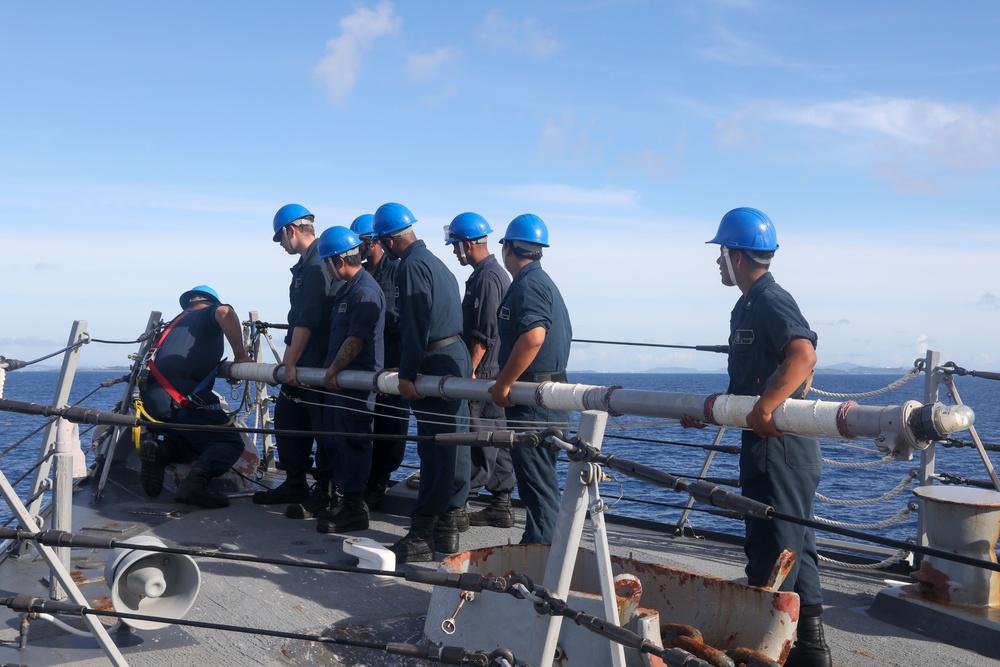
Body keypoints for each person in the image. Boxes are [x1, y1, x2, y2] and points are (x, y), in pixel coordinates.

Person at [682, 207, 831, 667]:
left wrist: (767, 407)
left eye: (721, 253)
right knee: (793, 550)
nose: (717, 262)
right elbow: (753, 382)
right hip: (771, 447)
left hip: (781, 449)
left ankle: (772, 651)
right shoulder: (747, 303)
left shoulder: (769, 299)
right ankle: (809, 652)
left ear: (738, 256)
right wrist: (715, 415)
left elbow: (803, 355)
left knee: (774, 553)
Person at [372, 202, 472, 563]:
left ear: (387, 240)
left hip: (432, 358)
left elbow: (416, 324)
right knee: (455, 443)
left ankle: (422, 534)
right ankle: (447, 527)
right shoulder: (435, 263)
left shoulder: (410, 267)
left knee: (434, 448)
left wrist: (408, 374)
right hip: (455, 355)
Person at [488, 214, 572, 545]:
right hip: (546, 397)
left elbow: (534, 336)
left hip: (534, 400)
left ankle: (543, 555)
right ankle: (538, 544)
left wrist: (504, 383)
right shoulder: (540, 282)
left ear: (508, 248)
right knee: (538, 481)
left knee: (537, 485)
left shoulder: (529, 285)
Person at [253, 204, 341, 519]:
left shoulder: (317, 265)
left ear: (291, 231)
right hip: (306, 360)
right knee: (290, 418)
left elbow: (307, 320)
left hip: (315, 362)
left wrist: (288, 364)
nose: (281, 245)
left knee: (322, 427)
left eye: (280, 239)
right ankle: (295, 481)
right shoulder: (308, 263)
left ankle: (326, 490)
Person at [138, 285, 252, 509]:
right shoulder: (208, 314)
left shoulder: (171, 325)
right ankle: (195, 485)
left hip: (152, 398)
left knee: (193, 437)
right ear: (211, 302)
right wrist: (240, 356)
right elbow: (226, 313)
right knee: (228, 441)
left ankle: (164, 450)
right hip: (181, 398)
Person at [445, 212, 515, 528]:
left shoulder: (487, 278)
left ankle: (457, 509)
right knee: (497, 440)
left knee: (478, 440)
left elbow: (484, 334)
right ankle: (501, 505)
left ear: (468, 244)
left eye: (456, 245)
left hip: (483, 373)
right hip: (493, 371)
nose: (454, 251)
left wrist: (468, 373)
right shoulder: (489, 275)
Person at [313, 226, 385, 533]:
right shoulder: (349, 289)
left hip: (354, 386)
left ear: (337, 261)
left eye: (327, 263)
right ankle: (346, 501)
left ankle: (356, 509)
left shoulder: (365, 291)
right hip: (340, 387)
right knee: (336, 440)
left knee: (354, 441)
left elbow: (356, 340)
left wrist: (331, 371)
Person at [351, 213, 408, 510]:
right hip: (364, 364)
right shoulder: (356, 276)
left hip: (392, 363)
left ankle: (378, 480)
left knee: (391, 424)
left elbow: (405, 318)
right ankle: (360, 478)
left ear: (371, 242)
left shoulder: (398, 272)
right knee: (360, 420)